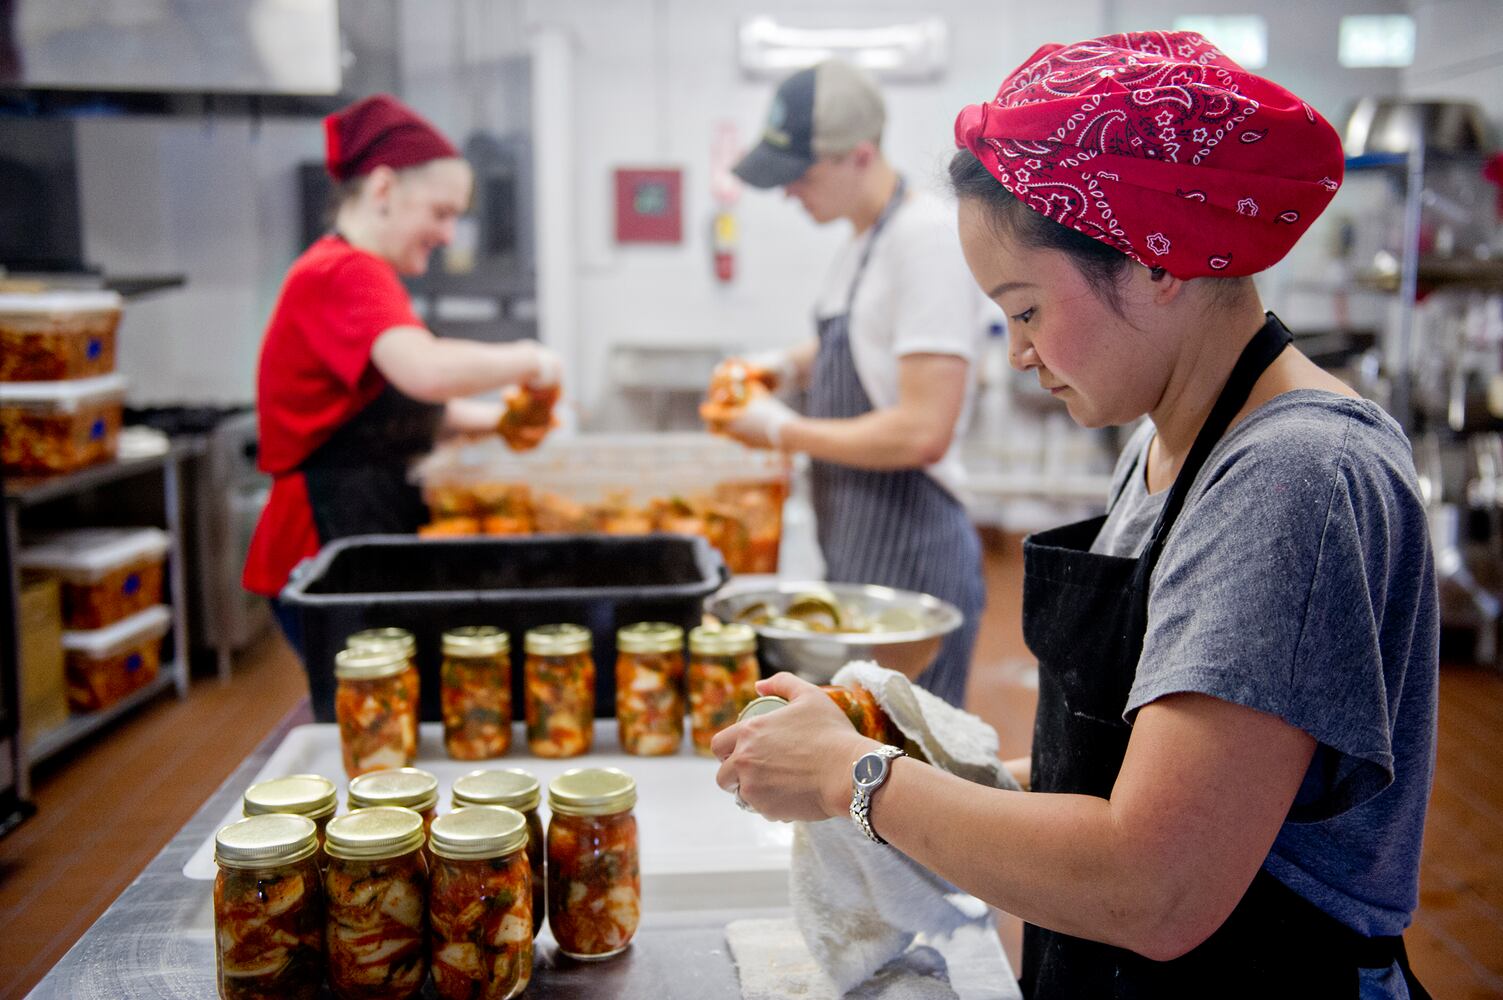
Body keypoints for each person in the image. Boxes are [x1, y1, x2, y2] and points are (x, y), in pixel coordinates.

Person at [713, 32, 1436, 999]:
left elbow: (1156, 885)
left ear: (1156, 260)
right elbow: (1127, 771)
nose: (1016, 353)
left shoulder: (1293, 478)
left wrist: (859, 780)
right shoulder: (1161, 443)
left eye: (1023, 310)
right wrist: (923, 764)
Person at [243, 94, 562, 655]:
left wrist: (504, 422)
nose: (448, 235)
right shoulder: (345, 272)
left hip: (355, 528)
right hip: (324, 543)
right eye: (441, 214)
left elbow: (390, 411)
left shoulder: (348, 271)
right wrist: (531, 359)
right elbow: (425, 372)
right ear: (384, 189)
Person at [718, 59, 989, 708]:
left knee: (912, 762)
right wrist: (783, 365)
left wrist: (779, 428)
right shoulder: (865, 242)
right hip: (858, 536)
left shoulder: (922, 240)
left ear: (859, 156)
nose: (788, 194)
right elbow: (865, 341)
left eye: (800, 176)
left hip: (910, 541)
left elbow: (922, 431)